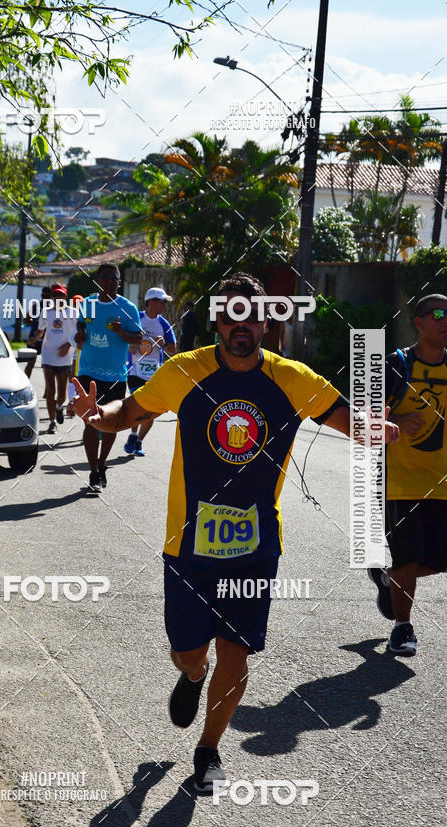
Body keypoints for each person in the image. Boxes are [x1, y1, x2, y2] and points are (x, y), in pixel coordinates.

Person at [72, 271, 399, 793]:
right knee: (189, 651)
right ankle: (192, 675)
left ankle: (209, 750)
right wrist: (97, 415)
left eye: (252, 313)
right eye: (231, 313)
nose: (241, 323)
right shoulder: (187, 370)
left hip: (256, 547)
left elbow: (345, 418)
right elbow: (127, 412)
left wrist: (370, 428)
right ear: (218, 320)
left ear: (268, 322)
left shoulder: (293, 378)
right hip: (187, 546)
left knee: (236, 650)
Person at [368, 293, 447, 657]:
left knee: (441, 559)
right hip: (398, 481)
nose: (446, 321)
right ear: (418, 322)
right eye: (437, 314)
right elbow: (363, 418)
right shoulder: (397, 364)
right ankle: (402, 628)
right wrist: (393, 422)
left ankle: (389, 580)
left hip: (440, 482)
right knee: (407, 555)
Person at [75, 263, 142, 492]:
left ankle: (103, 464)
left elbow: (138, 337)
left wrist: (121, 332)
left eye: (113, 279)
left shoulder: (126, 308)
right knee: (91, 421)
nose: (108, 282)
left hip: (115, 374)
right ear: (97, 280)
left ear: (119, 282)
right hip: (88, 371)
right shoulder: (89, 304)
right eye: (104, 277)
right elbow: (82, 325)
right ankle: (93, 471)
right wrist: (80, 334)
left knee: (111, 424)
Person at [124, 287, 177, 457]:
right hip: (135, 371)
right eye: (163, 302)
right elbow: (123, 338)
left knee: (151, 410)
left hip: (154, 373)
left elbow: (173, 349)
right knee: (138, 405)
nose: (165, 306)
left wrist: (163, 344)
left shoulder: (164, 324)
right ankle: (133, 434)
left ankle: (138, 440)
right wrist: (131, 346)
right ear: (152, 302)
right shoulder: (136, 318)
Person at [34, 284, 77, 434]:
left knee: (62, 393)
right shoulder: (45, 312)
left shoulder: (73, 312)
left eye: (60, 295)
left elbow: (77, 334)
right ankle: (52, 422)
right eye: (55, 295)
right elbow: (41, 330)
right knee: (50, 389)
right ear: (51, 297)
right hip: (48, 354)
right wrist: (36, 337)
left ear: (65, 296)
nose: (57, 298)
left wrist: (67, 345)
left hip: (65, 356)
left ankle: (59, 407)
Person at [25, 286, 52, 379]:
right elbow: (26, 320)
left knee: (32, 364)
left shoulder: (36, 306)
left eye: (46, 296)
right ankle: (46, 393)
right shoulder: (52, 308)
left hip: (40, 338)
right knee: (45, 367)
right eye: (45, 296)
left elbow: (26, 320)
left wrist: (35, 322)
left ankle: (26, 384)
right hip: (40, 338)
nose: (45, 298)